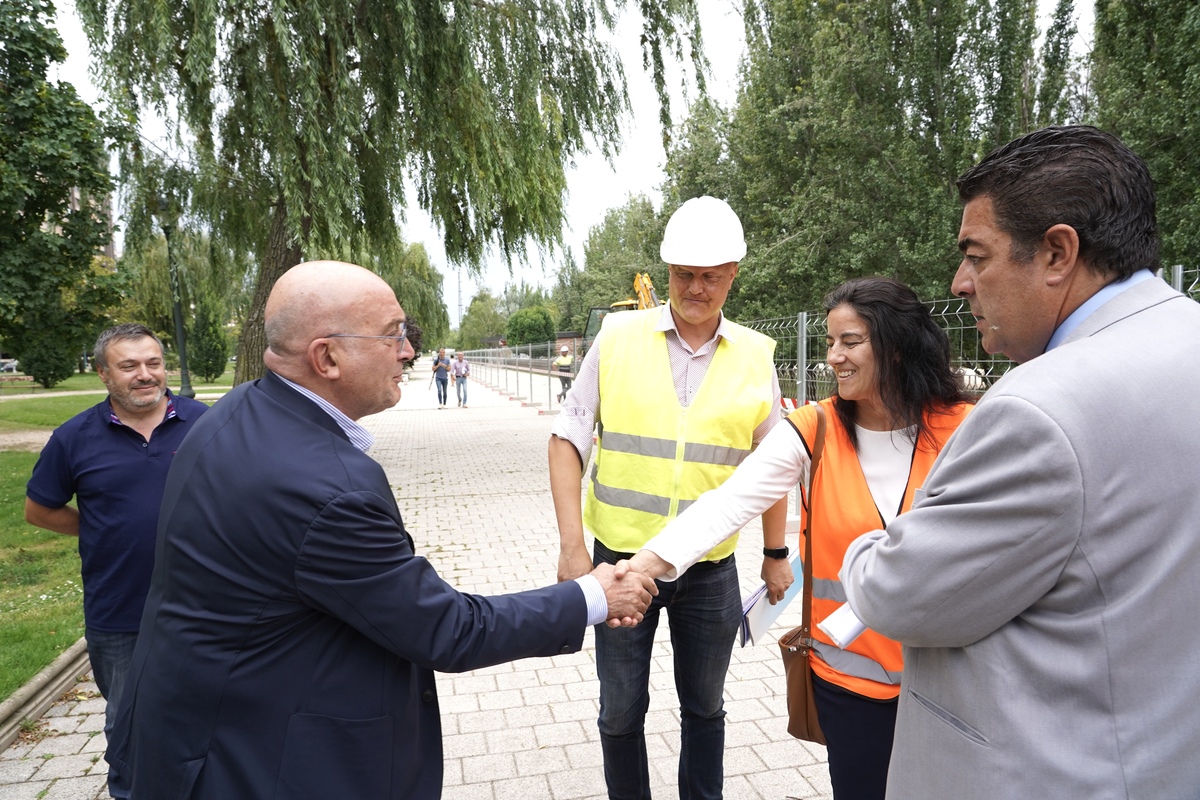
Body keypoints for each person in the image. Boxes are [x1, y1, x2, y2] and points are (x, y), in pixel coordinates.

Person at [104, 261, 657, 799]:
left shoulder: (238, 410)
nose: (409, 351)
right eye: (393, 335)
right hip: (257, 763)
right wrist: (593, 595)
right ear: (328, 357)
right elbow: (448, 629)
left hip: (197, 730)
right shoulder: (323, 488)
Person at [838, 126, 1200, 799]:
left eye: (977, 255)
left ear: (1058, 253)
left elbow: (902, 591)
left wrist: (863, 548)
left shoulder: (1040, 410)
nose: (961, 282)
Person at [621, 277, 974, 798]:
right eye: (830, 342)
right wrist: (639, 568)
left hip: (950, 680)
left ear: (896, 347)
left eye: (850, 342)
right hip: (853, 684)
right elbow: (727, 504)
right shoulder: (814, 430)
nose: (833, 357)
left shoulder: (965, 428)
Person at [549, 196, 790, 800]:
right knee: (620, 710)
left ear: (734, 273)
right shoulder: (619, 336)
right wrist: (573, 548)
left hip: (709, 570)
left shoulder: (757, 355)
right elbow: (566, 438)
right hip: (621, 564)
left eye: (711, 276)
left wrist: (776, 551)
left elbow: (774, 463)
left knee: (706, 708)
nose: (696, 288)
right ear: (667, 270)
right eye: (684, 274)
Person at [24, 323, 208, 797]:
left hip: (206, 606)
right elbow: (39, 510)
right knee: (128, 726)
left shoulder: (205, 423)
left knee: (213, 715)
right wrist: (100, 528)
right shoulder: (73, 437)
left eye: (154, 363)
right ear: (104, 374)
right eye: (129, 366)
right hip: (119, 611)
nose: (145, 375)